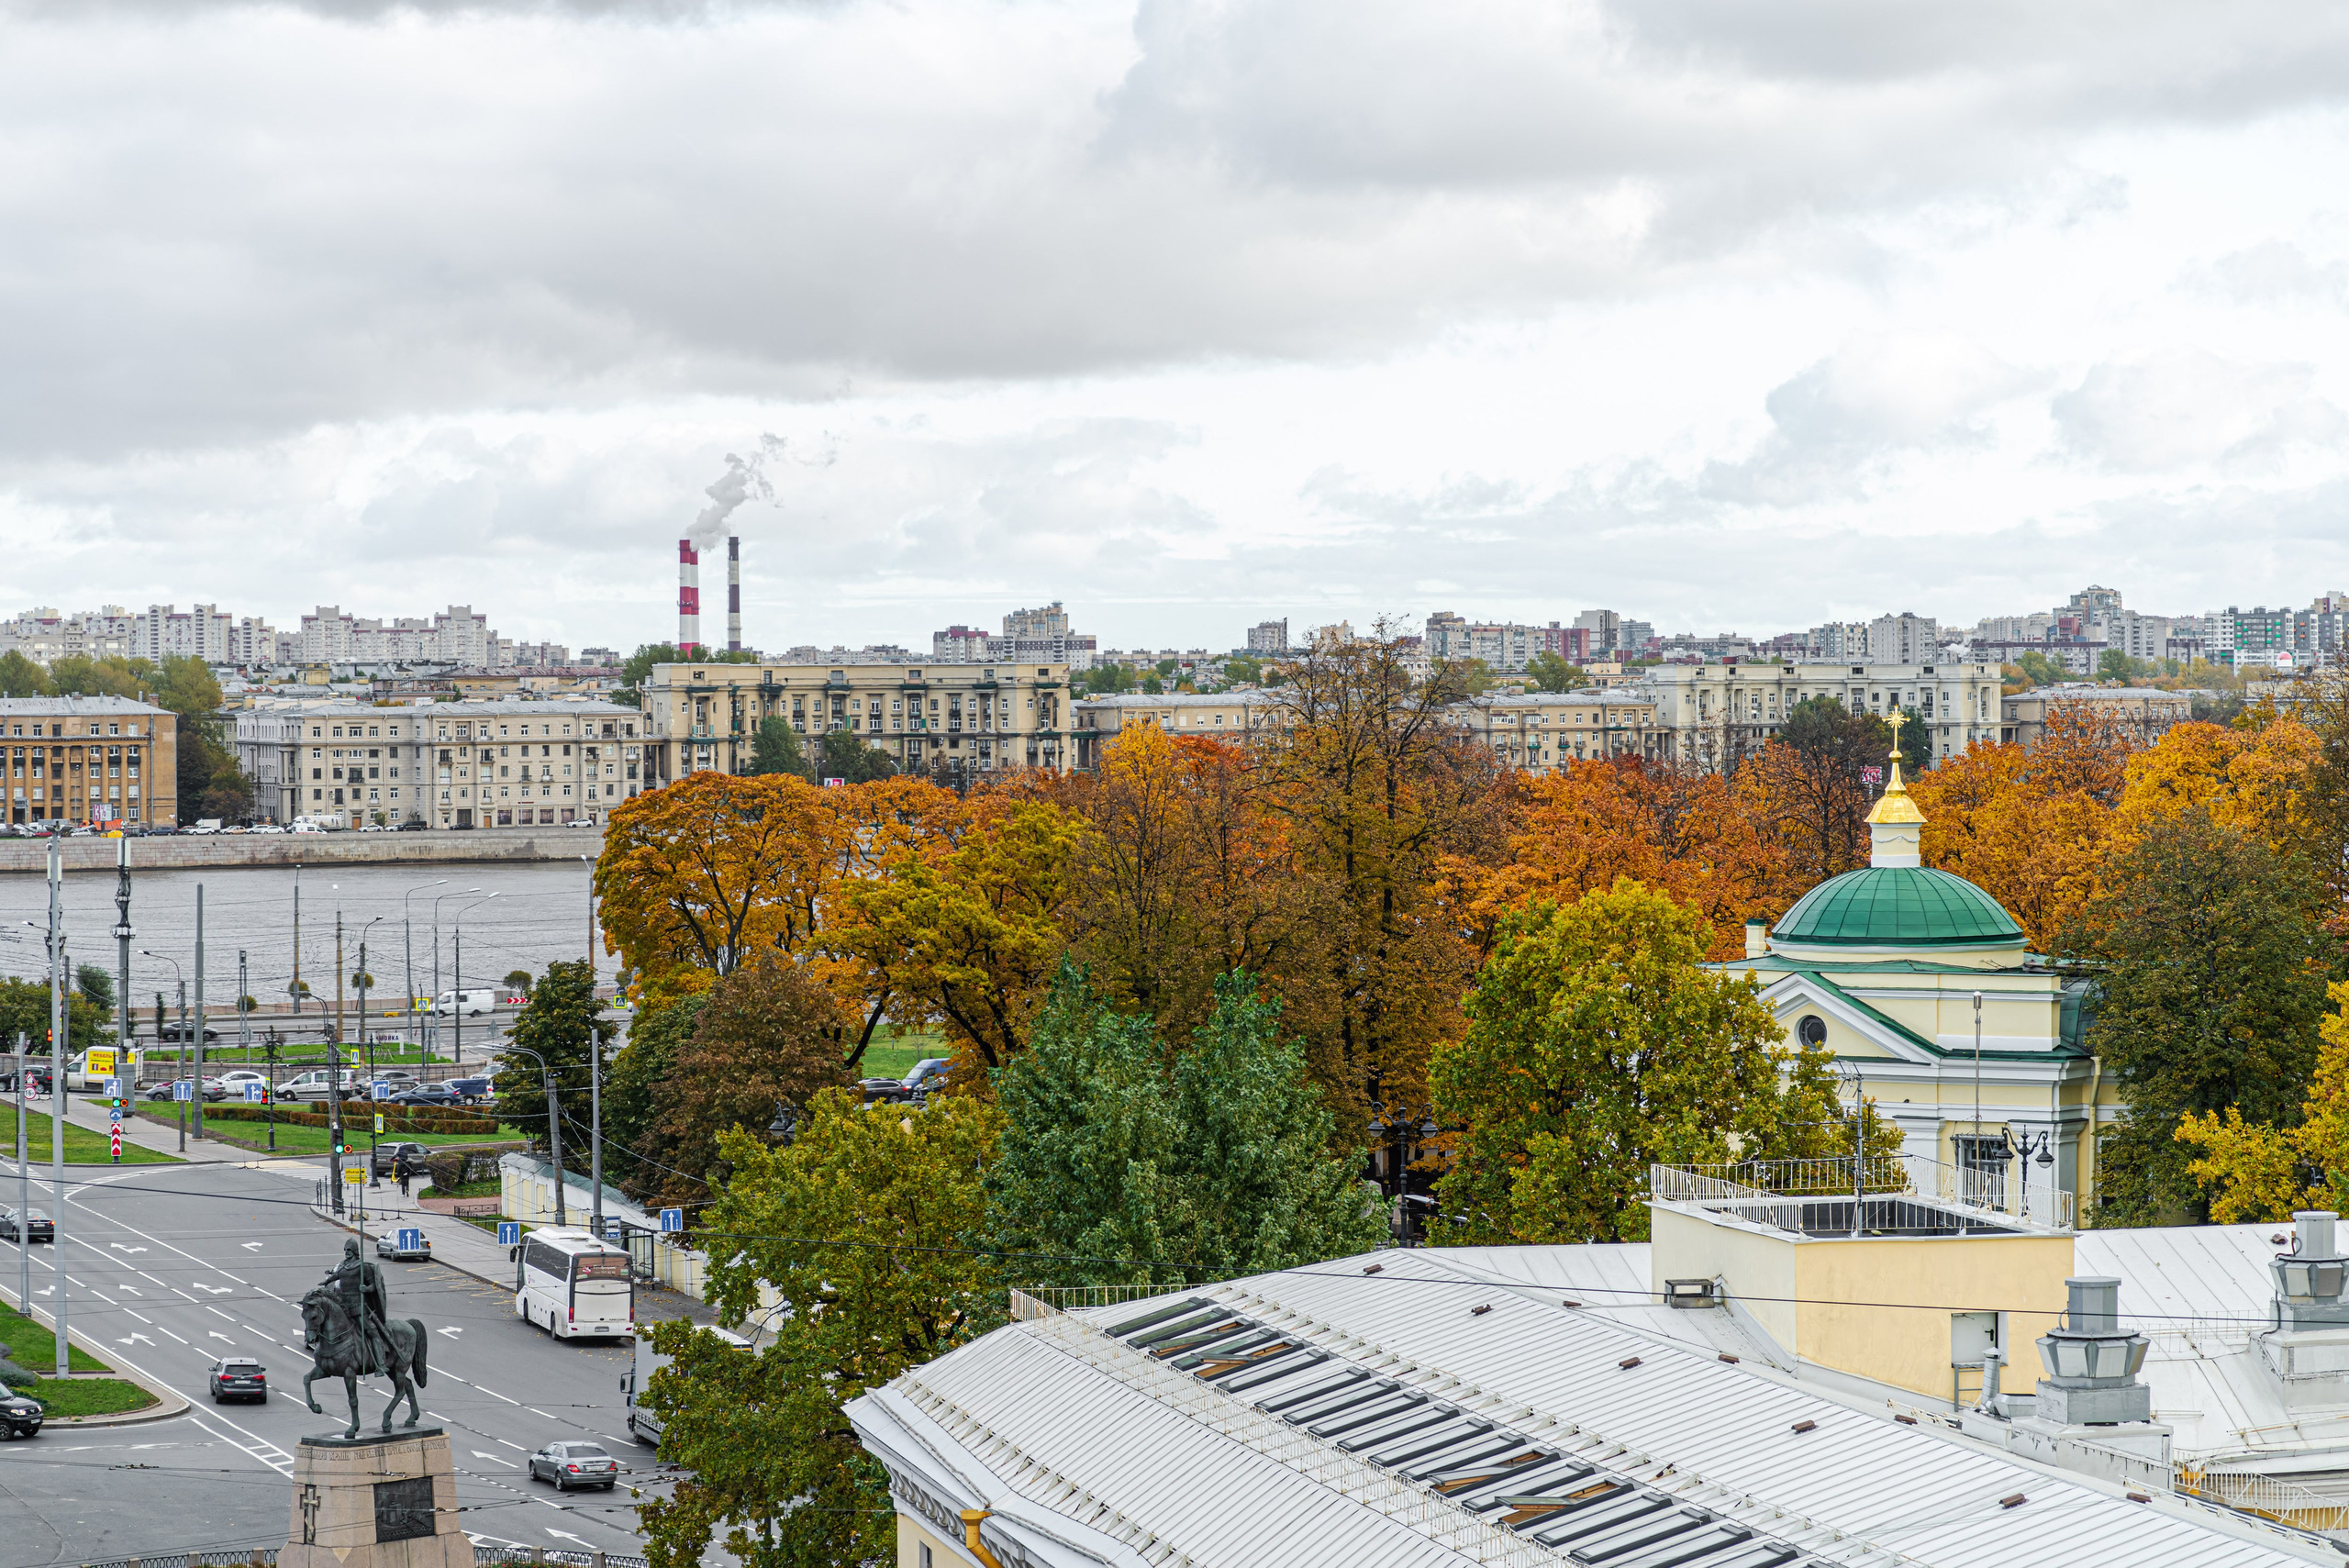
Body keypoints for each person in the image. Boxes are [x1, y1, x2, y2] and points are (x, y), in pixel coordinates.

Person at [322, 1238, 395, 1375]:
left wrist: (366, 1289)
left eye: (349, 1250)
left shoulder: (363, 1267)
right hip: (344, 1305)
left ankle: (380, 1364)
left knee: (371, 1332)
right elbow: (337, 1276)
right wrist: (326, 1281)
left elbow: (374, 1285)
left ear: (355, 1251)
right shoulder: (343, 1265)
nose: (346, 1253)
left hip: (359, 1306)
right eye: (345, 1250)